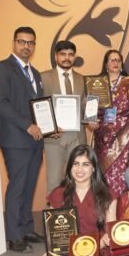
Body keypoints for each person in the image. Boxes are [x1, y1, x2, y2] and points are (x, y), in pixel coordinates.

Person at [0, 26, 44, 253]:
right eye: (22, 42)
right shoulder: (0, 68)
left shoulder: (36, 73)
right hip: (15, 139)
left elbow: (39, 106)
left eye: (30, 43)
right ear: (14, 43)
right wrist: (27, 125)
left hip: (35, 139)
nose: (26, 46)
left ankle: (27, 228)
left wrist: (49, 127)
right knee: (17, 187)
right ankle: (14, 235)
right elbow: (0, 103)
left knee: (29, 186)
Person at [93, 49, 129, 195]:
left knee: (121, 171)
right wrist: (90, 121)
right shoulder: (97, 83)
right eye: (112, 60)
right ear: (106, 64)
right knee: (104, 170)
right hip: (103, 135)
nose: (115, 63)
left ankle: (122, 206)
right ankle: (104, 205)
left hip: (125, 135)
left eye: (118, 60)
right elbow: (90, 107)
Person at [41, 40, 90, 193]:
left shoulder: (83, 79)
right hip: (54, 136)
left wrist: (91, 119)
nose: (67, 58)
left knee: (78, 179)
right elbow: (40, 106)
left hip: (77, 136)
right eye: (63, 54)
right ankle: (54, 208)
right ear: (56, 56)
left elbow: (85, 106)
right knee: (54, 180)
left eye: (70, 54)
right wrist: (49, 128)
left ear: (74, 57)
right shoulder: (43, 77)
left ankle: (75, 208)